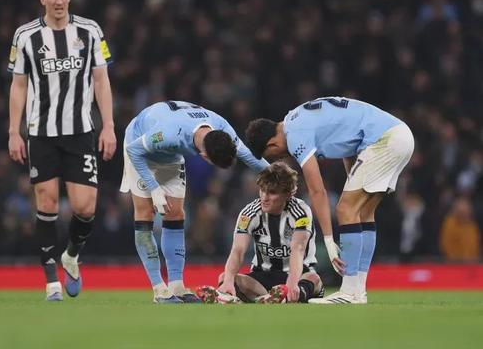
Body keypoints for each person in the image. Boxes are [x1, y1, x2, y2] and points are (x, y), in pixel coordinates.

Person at [8, 0, 117, 301]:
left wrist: (108, 125)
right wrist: (14, 131)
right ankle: (50, 281)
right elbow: (18, 85)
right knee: (47, 203)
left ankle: (71, 255)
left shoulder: (90, 30)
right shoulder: (25, 35)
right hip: (41, 134)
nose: (59, 2)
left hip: (80, 132)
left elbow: (101, 81)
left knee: (85, 208)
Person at [245, 97, 414, 304]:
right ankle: (357, 290)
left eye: (273, 156)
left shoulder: (295, 135)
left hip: (383, 140)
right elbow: (349, 147)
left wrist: (328, 239)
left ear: (272, 144)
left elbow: (317, 191)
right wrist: (352, 179)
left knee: (345, 209)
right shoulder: (296, 118)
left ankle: (348, 292)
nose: (279, 159)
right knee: (362, 212)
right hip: (398, 135)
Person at [121, 100, 269, 303]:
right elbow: (134, 150)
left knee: (175, 213)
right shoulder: (168, 133)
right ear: (205, 157)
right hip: (140, 145)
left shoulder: (222, 128)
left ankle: (177, 285)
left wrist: (280, 175)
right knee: (145, 213)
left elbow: (250, 157)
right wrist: (154, 188)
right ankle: (159, 289)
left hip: (170, 154)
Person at [196, 161, 323, 304]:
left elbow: (298, 249)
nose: (264, 198)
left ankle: (277, 297)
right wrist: (229, 281)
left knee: (314, 278)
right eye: (262, 190)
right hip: (263, 277)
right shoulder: (250, 213)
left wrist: (292, 284)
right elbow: (238, 250)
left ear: (288, 194)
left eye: (272, 192)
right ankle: (244, 296)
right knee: (225, 277)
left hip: (298, 275)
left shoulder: (301, 212)